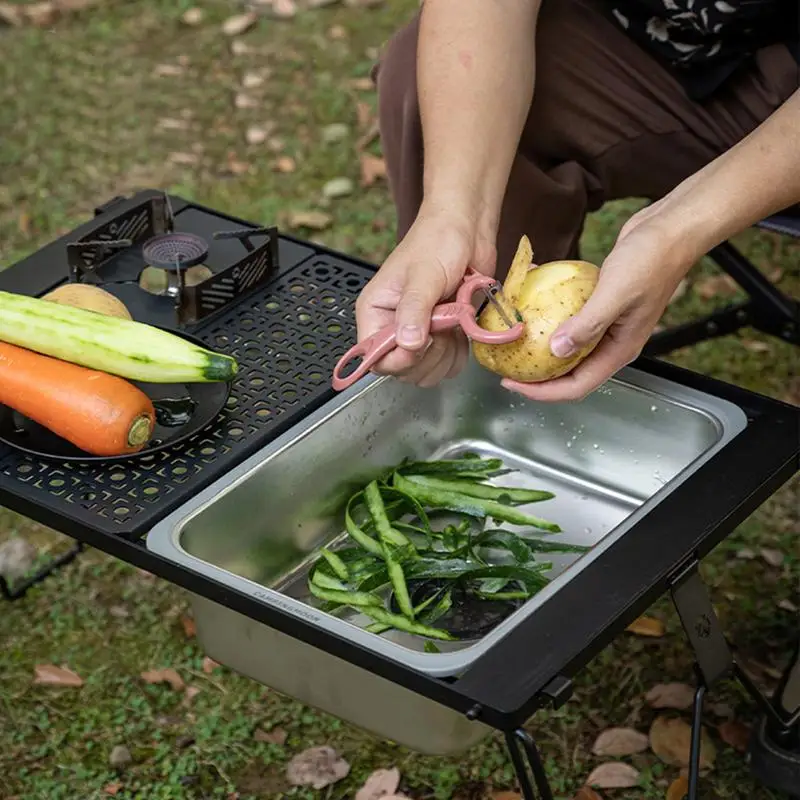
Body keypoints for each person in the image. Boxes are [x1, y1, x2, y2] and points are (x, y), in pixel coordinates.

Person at [354, 0, 799, 403]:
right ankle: (487, 414)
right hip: (651, 36)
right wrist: (453, 211)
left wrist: (675, 229)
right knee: (426, 74)